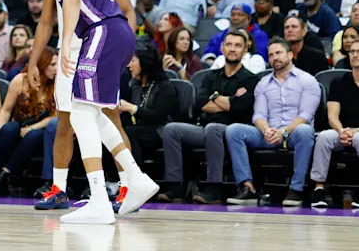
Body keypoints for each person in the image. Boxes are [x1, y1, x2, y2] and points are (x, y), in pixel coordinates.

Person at [30, 0, 157, 224]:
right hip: (116, 33)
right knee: (94, 113)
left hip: (100, 32)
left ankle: (99, 199)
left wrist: (64, 44)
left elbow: (73, 0)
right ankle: (136, 179)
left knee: (81, 113)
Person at [157, 31, 258, 204]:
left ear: (245, 50)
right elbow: (199, 103)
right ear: (222, 48)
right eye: (229, 45)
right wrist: (230, 99)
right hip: (204, 128)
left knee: (213, 129)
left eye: (238, 46)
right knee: (171, 129)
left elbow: (239, 109)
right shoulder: (210, 75)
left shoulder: (250, 79)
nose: (232, 49)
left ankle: (214, 187)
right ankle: (175, 186)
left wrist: (215, 98)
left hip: (232, 131)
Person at [226, 38, 320, 207]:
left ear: (290, 55)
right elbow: (259, 115)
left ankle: (296, 189)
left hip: (293, 134)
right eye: (271, 55)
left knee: (305, 131)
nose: (274, 58)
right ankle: (247, 187)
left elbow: (306, 115)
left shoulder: (307, 81)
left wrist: (283, 132)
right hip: (269, 134)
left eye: (279, 53)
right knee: (234, 131)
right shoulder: (263, 83)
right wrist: (266, 129)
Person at [0, 46, 59, 196]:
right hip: (20, 121)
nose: (56, 69)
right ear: (41, 64)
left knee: (34, 135)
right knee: (8, 129)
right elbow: (6, 109)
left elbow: (55, 116)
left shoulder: (57, 84)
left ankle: (5, 174)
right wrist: (0, 130)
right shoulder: (21, 80)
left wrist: (32, 128)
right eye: (52, 65)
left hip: (42, 127)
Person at [309, 40, 359, 208]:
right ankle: (319, 188)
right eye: (352, 52)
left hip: (358, 133)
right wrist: (342, 131)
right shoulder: (339, 82)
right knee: (324, 137)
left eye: (358, 51)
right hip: (342, 131)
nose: (355, 55)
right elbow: (332, 115)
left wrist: (355, 131)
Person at [118, 49, 176, 167]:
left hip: (160, 130)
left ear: (144, 63)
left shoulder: (164, 86)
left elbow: (158, 117)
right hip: (139, 128)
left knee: (130, 133)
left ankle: (137, 176)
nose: (129, 65)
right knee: (113, 131)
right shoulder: (134, 85)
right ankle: (113, 177)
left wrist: (132, 108)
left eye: (133, 60)